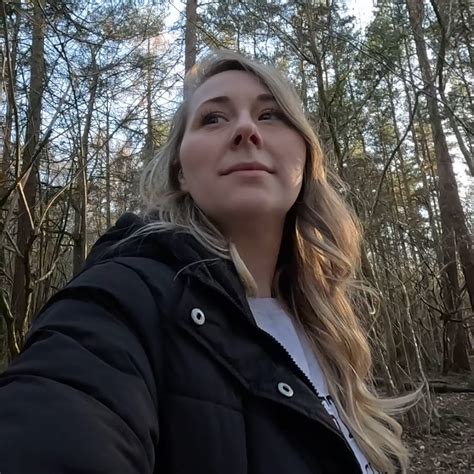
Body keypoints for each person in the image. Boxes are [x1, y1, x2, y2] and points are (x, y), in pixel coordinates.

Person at [0, 49, 414, 473]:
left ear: (306, 158)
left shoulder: (327, 326)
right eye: (214, 118)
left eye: (270, 115)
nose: (246, 129)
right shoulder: (122, 295)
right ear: (180, 171)